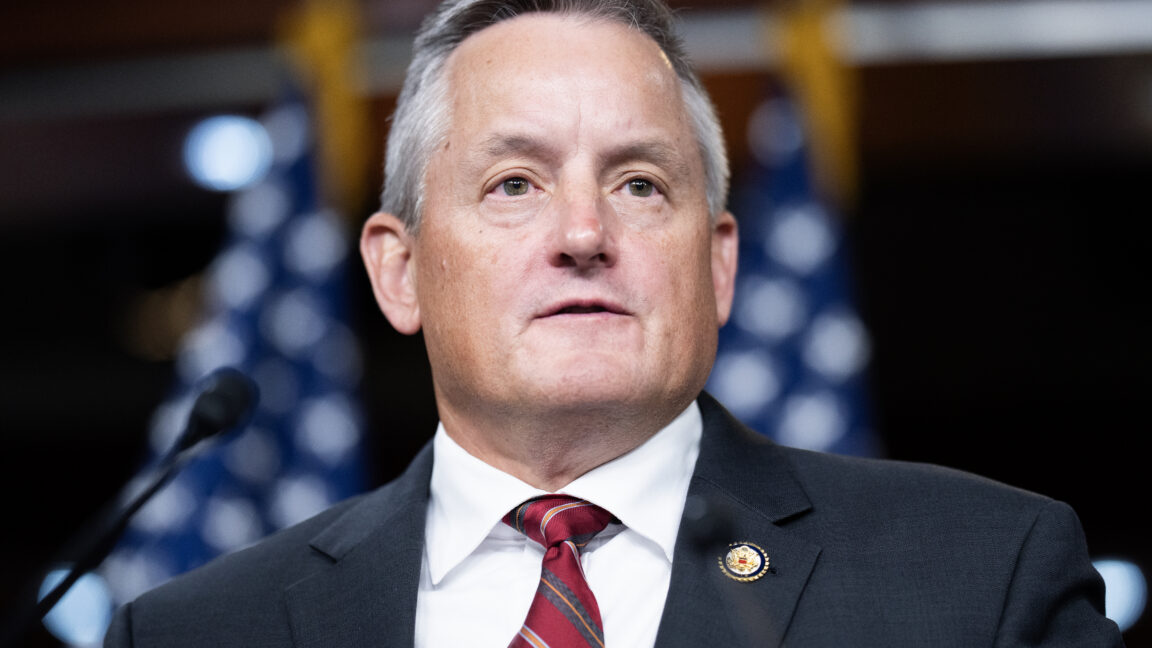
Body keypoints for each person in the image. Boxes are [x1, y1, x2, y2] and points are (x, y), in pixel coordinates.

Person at [104, 0, 1124, 646]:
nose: (584, 234)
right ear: (400, 272)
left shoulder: (982, 578)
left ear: (718, 266)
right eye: (514, 184)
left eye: (640, 184)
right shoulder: (196, 632)